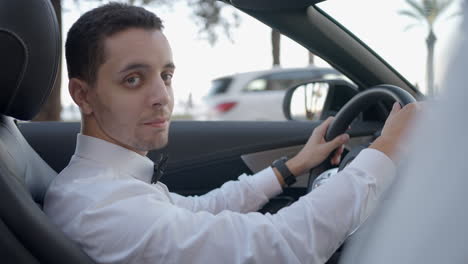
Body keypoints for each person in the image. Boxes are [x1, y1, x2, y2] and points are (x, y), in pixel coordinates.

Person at [43, 3, 419, 264]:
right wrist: (387, 148)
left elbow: (199, 210)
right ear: (83, 95)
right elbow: (281, 247)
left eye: (166, 76)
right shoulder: (102, 209)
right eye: (133, 79)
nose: (162, 97)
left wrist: (293, 168)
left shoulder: (109, 186)